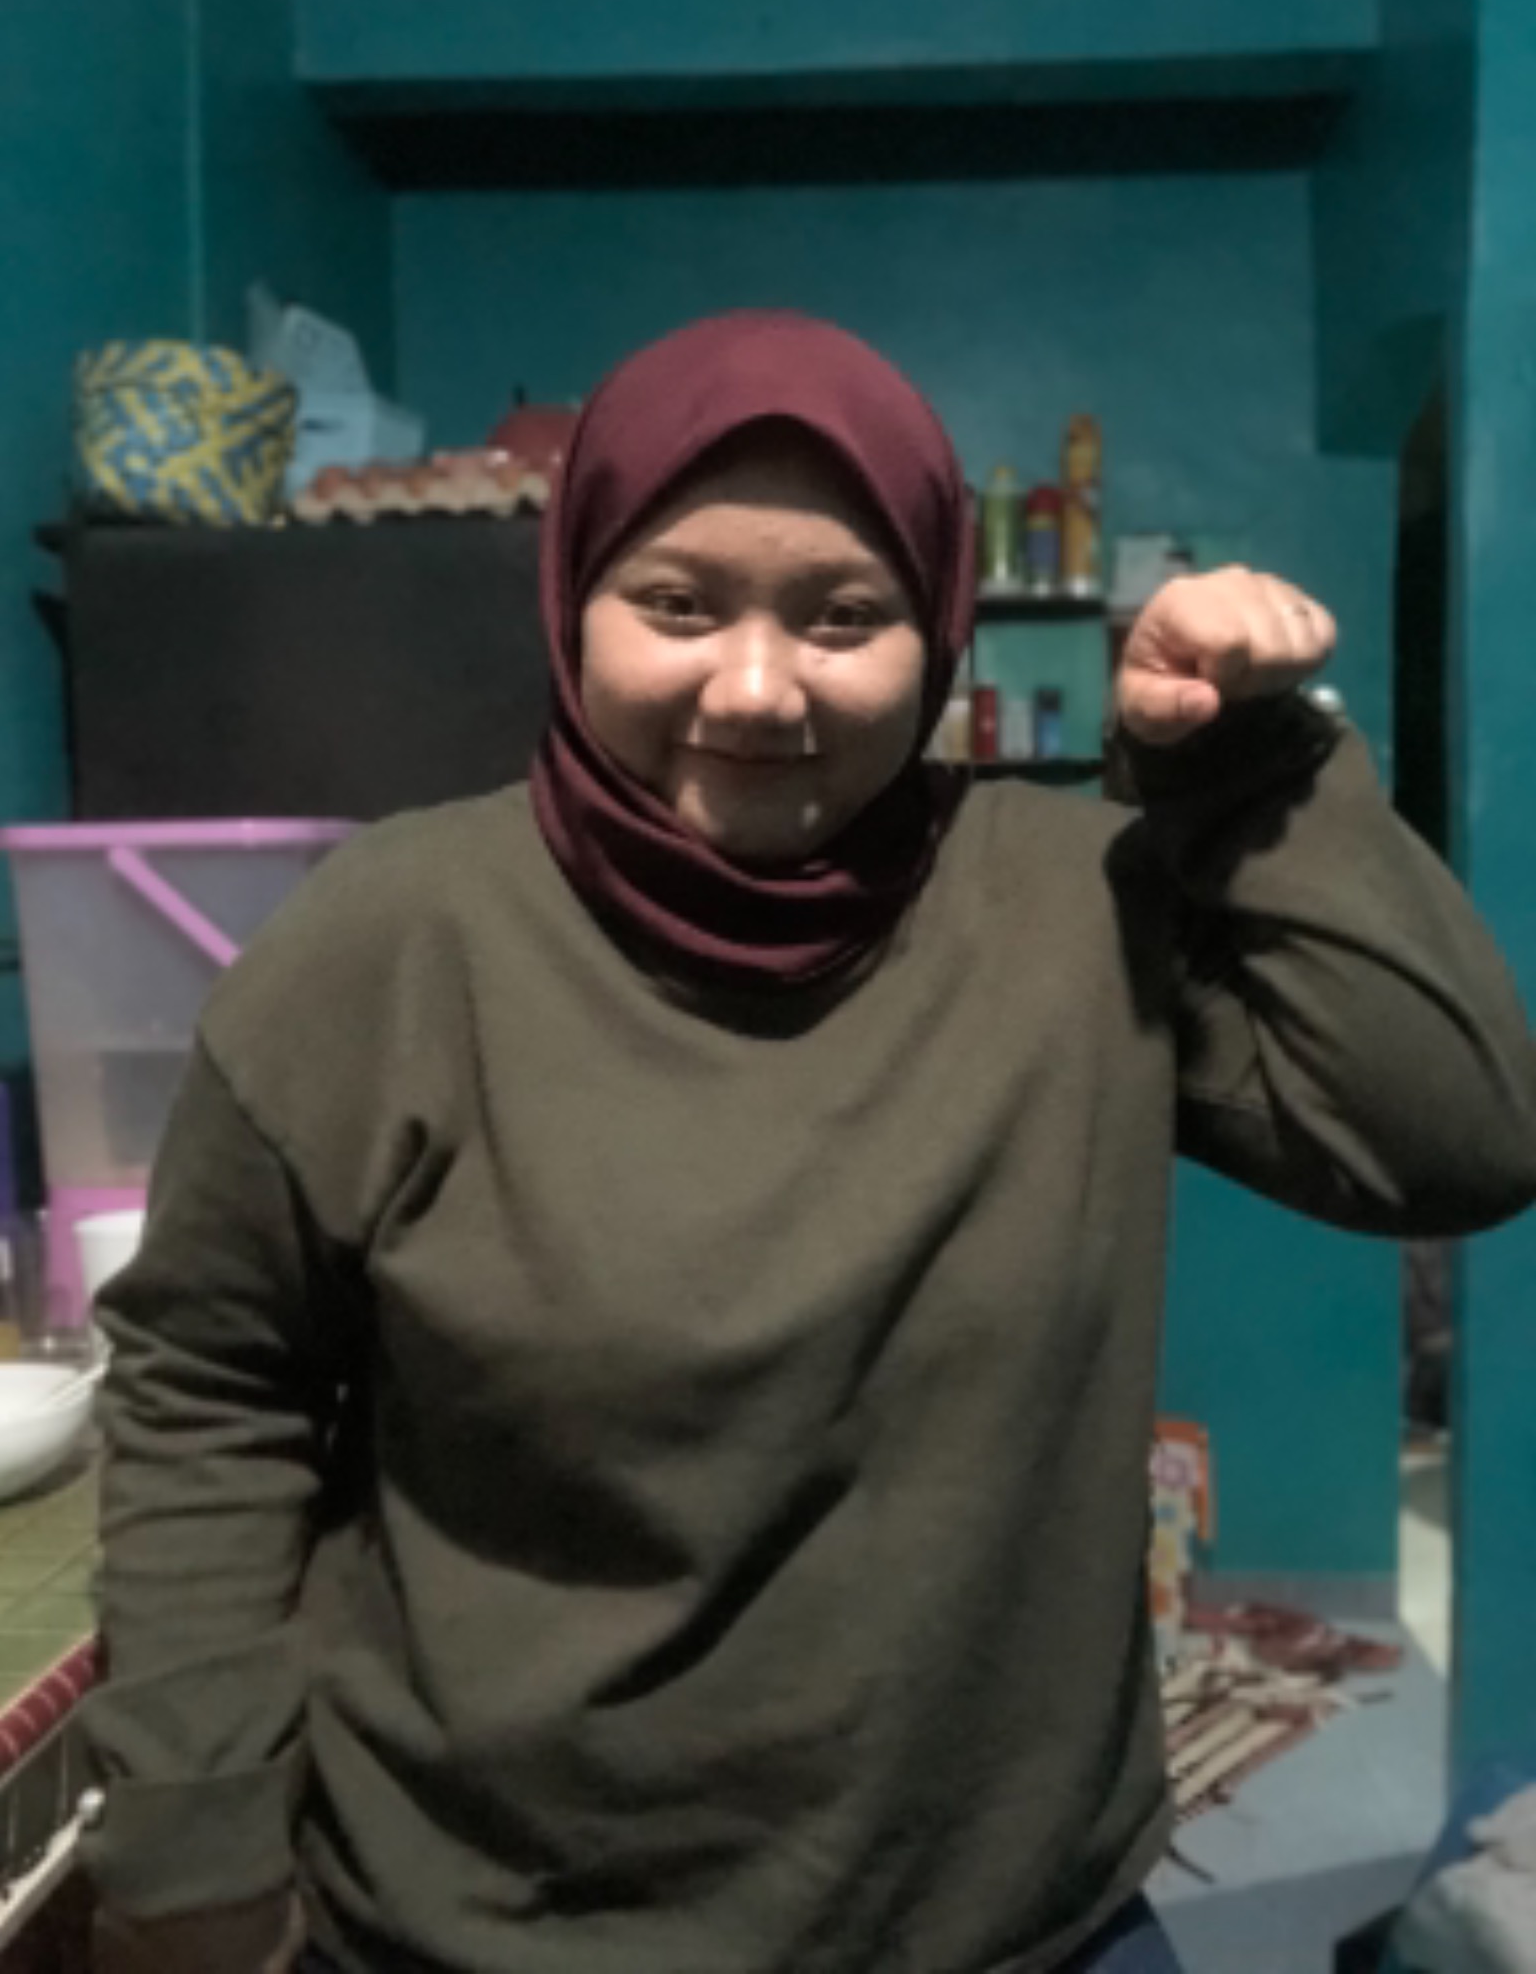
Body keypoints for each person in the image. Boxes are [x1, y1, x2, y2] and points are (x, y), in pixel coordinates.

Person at [82, 311, 1536, 1974]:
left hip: (1015, 1927)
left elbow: (1452, 1139)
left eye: (844, 617)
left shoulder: (1074, 912)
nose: (758, 690)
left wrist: (1248, 772)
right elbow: (215, 1387)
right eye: (676, 604)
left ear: (939, 627)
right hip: (486, 1928)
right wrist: (190, 1846)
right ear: (571, 600)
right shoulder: (388, 943)